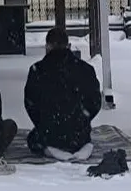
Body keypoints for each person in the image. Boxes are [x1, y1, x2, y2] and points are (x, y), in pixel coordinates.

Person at [24, 27, 102, 161]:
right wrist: (81, 121)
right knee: (79, 137)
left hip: (49, 133)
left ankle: (51, 149)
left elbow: (30, 104)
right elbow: (95, 102)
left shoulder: (37, 70)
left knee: (33, 139)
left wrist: (44, 123)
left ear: (47, 46)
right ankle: (84, 147)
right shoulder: (86, 69)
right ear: (68, 46)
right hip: (78, 135)